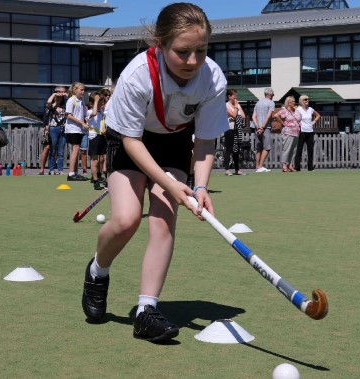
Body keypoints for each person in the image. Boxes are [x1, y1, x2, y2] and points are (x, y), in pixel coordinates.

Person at [80, 2, 228, 342]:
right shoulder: (137, 75)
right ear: (160, 44)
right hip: (130, 141)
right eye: (182, 52)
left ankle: (147, 312)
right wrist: (170, 184)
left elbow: (205, 141)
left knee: (164, 218)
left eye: (201, 51)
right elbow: (132, 142)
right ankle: (98, 270)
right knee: (127, 220)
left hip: (174, 142)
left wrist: (200, 186)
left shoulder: (212, 78)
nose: (192, 61)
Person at [65, 82, 89, 181]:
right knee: (76, 148)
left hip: (79, 129)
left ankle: (75, 172)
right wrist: (81, 123)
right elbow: (68, 115)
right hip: (72, 128)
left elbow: (85, 114)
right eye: (81, 89)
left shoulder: (81, 101)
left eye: (84, 90)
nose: (83, 92)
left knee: (77, 149)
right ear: (75, 90)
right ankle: (71, 174)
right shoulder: (71, 100)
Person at [43, 86, 68, 175]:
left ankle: (60, 170)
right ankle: (51, 169)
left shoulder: (66, 104)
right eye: (59, 92)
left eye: (63, 92)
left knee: (61, 151)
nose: (61, 94)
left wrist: (66, 94)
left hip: (63, 128)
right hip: (53, 128)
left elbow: (72, 100)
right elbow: (48, 103)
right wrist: (54, 94)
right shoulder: (52, 105)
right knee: (53, 150)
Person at [86, 91, 108, 190]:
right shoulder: (90, 112)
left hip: (101, 136)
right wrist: (96, 100)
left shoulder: (102, 112)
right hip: (94, 136)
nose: (101, 105)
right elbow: (94, 113)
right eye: (99, 103)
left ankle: (100, 176)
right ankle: (95, 181)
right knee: (95, 160)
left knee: (102, 159)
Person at [294, 94, 321, 172]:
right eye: (305, 99)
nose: (307, 101)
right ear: (301, 101)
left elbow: (318, 115)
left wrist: (314, 121)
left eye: (308, 99)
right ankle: (297, 167)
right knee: (299, 149)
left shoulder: (310, 109)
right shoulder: (298, 109)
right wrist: (298, 123)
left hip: (310, 131)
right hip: (302, 131)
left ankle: (310, 167)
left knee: (310, 150)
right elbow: (294, 117)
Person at [224, 89, 246, 176]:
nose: (236, 98)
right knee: (229, 149)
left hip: (238, 130)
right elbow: (233, 115)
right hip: (229, 129)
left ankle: (237, 169)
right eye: (234, 96)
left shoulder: (238, 105)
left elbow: (243, 116)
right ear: (229, 96)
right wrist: (236, 109)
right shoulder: (225, 105)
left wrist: (236, 114)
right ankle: (227, 169)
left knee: (236, 150)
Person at [252, 88, 275, 173]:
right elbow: (268, 116)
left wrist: (258, 126)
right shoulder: (271, 103)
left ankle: (257, 167)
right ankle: (261, 166)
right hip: (266, 128)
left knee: (259, 148)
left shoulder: (258, 103)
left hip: (257, 127)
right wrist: (262, 127)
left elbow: (253, 116)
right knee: (267, 147)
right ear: (271, 94)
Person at [276, 96, 301, 172]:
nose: (294, 102)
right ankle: (284, 165)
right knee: (287, 149)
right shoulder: (285, 110)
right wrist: (282, 123)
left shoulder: (296, 110)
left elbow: (299, 119)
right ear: (288, 102)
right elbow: (276, 115)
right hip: (288, 132)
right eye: (292, 101)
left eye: (294, 101)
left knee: (294, 150)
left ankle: (290, 165)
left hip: (296, 132)